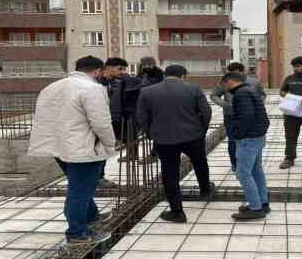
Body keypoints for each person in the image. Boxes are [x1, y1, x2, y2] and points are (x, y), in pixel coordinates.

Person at [28, 56, 116, 245]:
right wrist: (110, 143)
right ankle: (77, 233)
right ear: (97, 72)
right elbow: (101, 122)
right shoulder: (92, 89)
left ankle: (92, 216)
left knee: (79, 185)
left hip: (58, 147)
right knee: (80, 190)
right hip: (82, 149)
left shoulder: (51, 87)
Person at [137, 65, 215, 223]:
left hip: (164, 138)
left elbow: (142, 117)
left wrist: (151, 134)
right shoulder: (193, 89)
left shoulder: (148, 91)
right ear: (183, 76)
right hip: (193, 135)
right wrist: (202, 130)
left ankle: (177, 212)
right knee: (200, 163)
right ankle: (205, 190)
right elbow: (206, 111)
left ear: (165, 75)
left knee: (170, 173)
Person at [220, 72, 270, 220]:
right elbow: (261, 116)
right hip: (257, 136)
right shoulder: (250, 90)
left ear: (229, 81)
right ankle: (262, 203)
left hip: (248, 139)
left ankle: (255, 208)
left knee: (243, 173)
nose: (223, 88)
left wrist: (237, 134)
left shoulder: (241, 94)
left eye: (223, 85)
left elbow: (246, 117)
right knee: (256, 171)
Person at [210, 62, 266, 172]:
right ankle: (235, 164)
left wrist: (257, 104)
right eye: (232, 73)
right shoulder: (225, 82)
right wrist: (226, 105)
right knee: (233, 140)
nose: (234, 76)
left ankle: (251, 164)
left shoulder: (253, 82)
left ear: (243, 71)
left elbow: (262, 95)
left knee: (250, 140)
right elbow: (214, 95)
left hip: (251, 116)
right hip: (231, 115)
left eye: (237, 73)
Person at [96, 58, 127, 183]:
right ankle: (96, 177)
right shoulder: (97, 82)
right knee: (96, 149)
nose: (123, 72)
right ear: (108, 68)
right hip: (97, 121)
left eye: (124, 69)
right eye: (120, 69)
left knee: (103, 149)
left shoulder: (115, 82)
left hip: (109, 120)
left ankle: (100, 176)